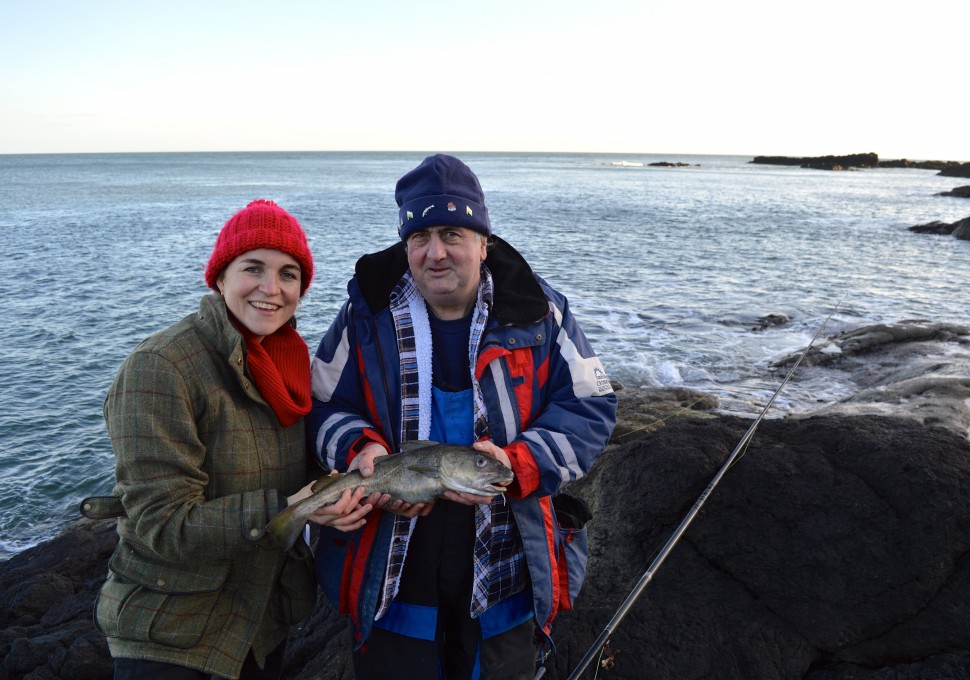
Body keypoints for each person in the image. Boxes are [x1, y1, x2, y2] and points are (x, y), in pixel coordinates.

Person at [309, 155, 617, 679]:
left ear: (482, 240)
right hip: (393, 556)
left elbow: (591, 406)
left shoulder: (542, 312)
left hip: (509, 556)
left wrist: (518, 463)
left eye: (452, 232)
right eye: (419, 236)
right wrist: (359, 448)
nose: (435, 252)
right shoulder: (364, 314)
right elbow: (321, 405)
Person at [91, 199, 374, 680]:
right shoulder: (161, 368)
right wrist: (291, 507)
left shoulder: (289, 364)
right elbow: (163, 523)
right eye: (253, 268)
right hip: (174, 636)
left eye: (289, 274)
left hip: (264, 625)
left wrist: (331, 494)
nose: (272, 288)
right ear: (220, 277)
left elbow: (293, 469)